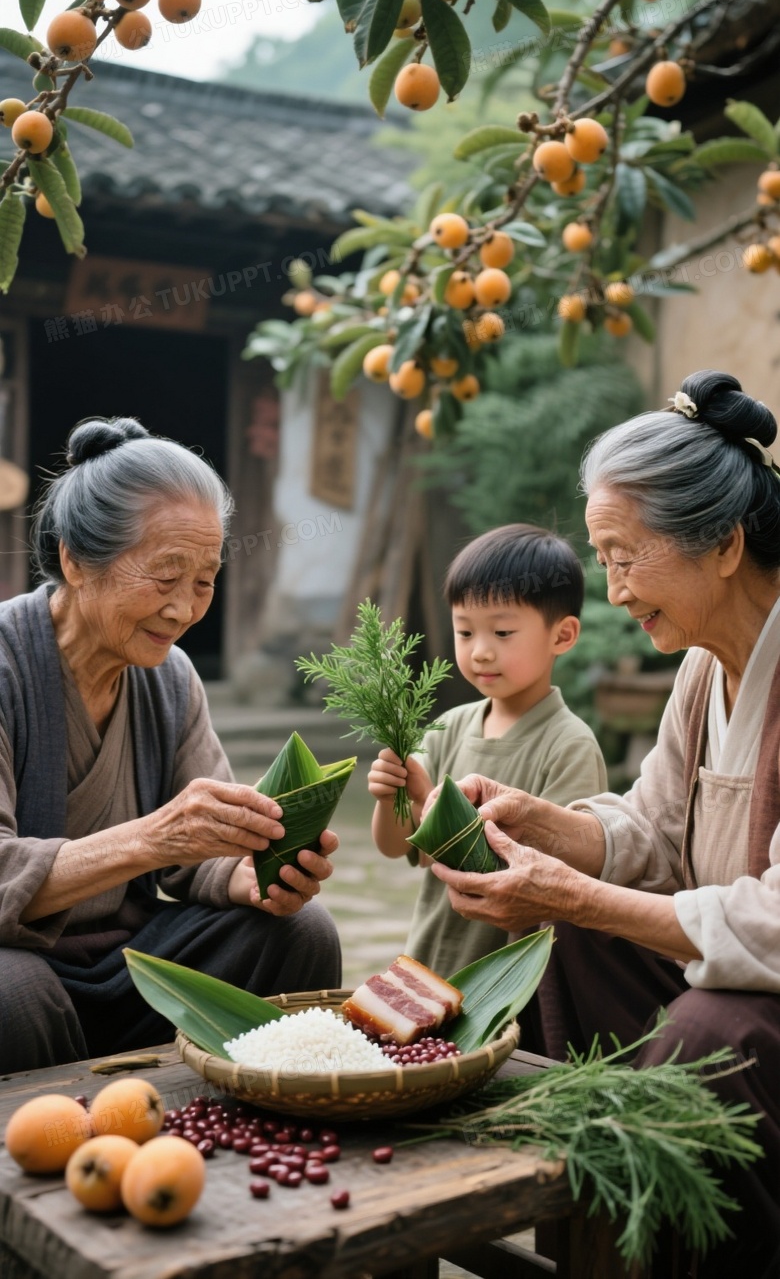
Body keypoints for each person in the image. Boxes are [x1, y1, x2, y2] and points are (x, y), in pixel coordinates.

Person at [426, 370, 780, 1279]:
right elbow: (654, 832)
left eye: (625, 555)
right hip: (742, 971)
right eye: (605, 559)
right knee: (571, 928)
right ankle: (590, 1230)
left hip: (760, 992)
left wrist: (580, 890)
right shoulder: (707, 668)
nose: (614, 590)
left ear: (726, 544)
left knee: (706, 1028)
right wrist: (545, 828)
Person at [0, 416, 341, 1075]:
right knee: (12, 993)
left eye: (205, 580)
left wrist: (246, 875)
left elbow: (199, 857)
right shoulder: (7, 666)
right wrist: (150, 839)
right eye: (165, 576)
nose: (184, 609)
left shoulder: (171, 678)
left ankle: (254, 1119)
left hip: (129, 961)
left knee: (301, 931)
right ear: (76, 560)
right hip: (21, 963)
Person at [368, 524, 607, 979]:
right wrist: (395, 799)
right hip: (434, 955)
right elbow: (395, 845)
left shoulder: (568, 745)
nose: (479, 652)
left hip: (514, 972)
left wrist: (431, 808)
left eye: (501, 632)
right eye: (464, 632)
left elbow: (563, 873)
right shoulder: (448, 728)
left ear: (562, 635)